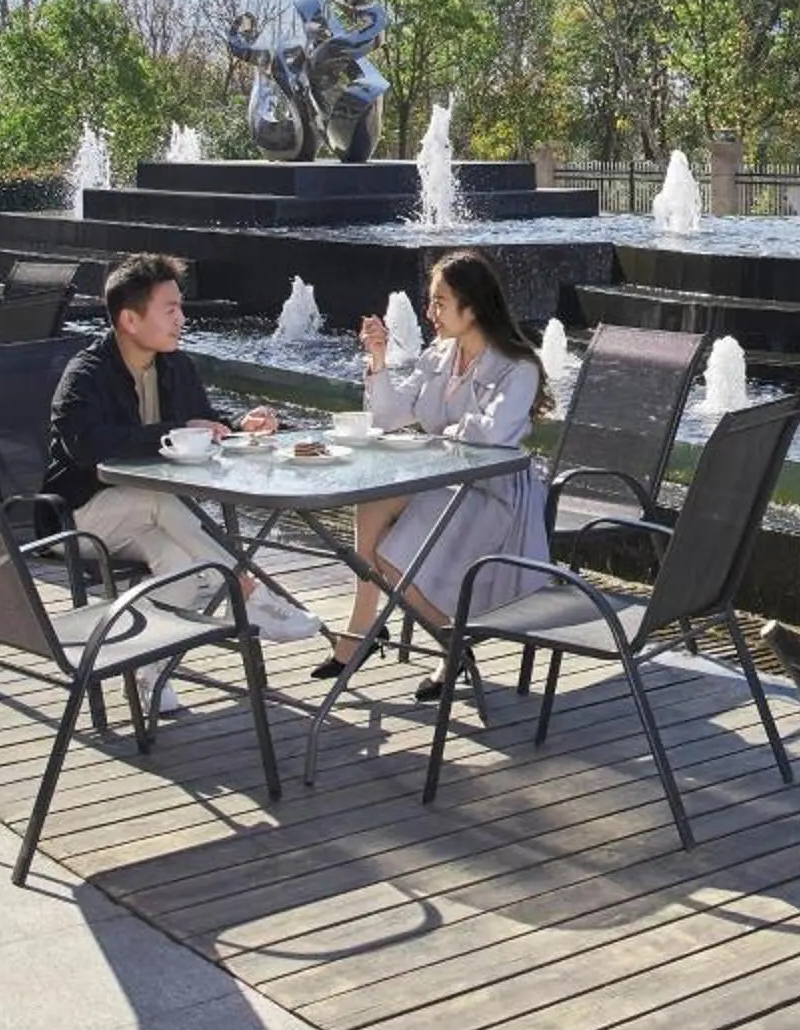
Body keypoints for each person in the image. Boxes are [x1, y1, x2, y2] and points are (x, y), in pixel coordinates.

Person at [48, 254, 322, 698]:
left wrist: (236, 424)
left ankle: (148, 672)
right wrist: (168, 434)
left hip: (148, 517)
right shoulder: (86, 374)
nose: (181, 318)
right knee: (160, 500)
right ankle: (250, 593)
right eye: (170, 309)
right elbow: (85, 445)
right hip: (79, 516)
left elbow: (201, 419)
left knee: (180, 564)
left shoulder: (174, 365)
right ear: (130, 320)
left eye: (180, 307)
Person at [317, 248, 550, 692]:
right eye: (430, 302)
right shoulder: (439, 355)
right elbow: (387, 417)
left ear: (473, 306)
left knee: (386, 553)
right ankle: (361, 630)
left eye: (440, 302)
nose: (429, 313)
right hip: (442, 480)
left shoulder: (518, 368)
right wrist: (378, 358)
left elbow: (495, 434)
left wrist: (437, 438)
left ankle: (450, 642)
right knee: (371, 504)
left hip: (494, 494)